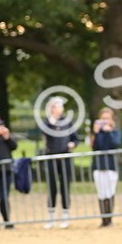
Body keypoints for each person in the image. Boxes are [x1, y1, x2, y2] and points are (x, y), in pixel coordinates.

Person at [43, 97, 79, 228]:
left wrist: (72, 144)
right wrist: (52, 120)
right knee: (52, 187)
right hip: (51, 157)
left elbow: (75, 138)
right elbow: (45, 132)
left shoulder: (67, 122)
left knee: (65, 186)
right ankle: (51, 217)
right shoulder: (48, 122)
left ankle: (65, 215)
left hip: (65, 157)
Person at [90, 107, 121, 227]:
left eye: (107, 118)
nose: (105, 121)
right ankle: (103, 220)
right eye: (103, 118)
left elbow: (115, 144)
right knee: (101, 192)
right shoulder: (97, 133)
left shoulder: (115, 132)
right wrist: (97, 133)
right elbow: (96, 146)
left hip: (111, 165)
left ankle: (109, 219)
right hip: (99, 165)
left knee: (110, 192)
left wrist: (109, 132)